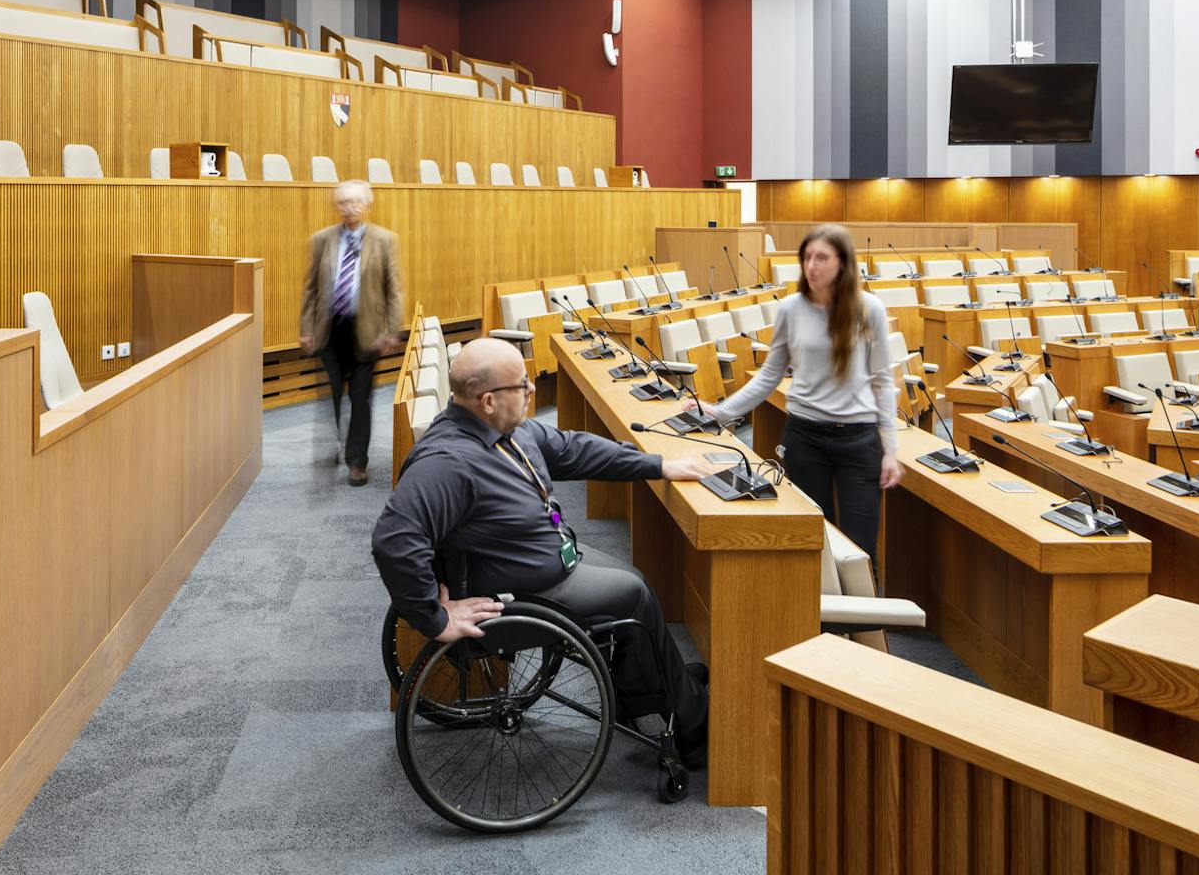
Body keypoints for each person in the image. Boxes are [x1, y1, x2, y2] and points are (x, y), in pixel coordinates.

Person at [372, 337, 714, 760]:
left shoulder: (507, 430)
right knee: (635, 594)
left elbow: (573, 449)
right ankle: (692, 723)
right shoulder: (449, 460)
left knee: (634, 580)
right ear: (489, 400)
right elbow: (394, 538)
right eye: (522, 385)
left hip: (547, 559)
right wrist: (434, 617)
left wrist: (657, 464)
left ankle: (651, 687)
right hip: (521, 591)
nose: (533, 390)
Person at [704, 223, 902, 562]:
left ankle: (864, 616)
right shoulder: (790, 309)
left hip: (859, 440)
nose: (812, 266)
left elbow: (883, 381)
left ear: (843, 263)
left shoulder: (870, 309)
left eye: (822, 258)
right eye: (807, 257)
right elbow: (769, 375)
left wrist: (891, 450)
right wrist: (721, 412)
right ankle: (816, 616)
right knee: (813, 542)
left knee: (859, 548)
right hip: (805, 437)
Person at [299, 179, 403, 486]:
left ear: (367, 204)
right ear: (337, 206)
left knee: (360, 399)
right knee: (330, 396)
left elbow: (393, 290)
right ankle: (331, 446)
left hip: (367, 332)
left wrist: (391, 330)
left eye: (356, 202)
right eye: (343, 202)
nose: (349, 208)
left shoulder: (384, 240)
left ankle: (357, 460)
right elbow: (310, 289)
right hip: (330, 331)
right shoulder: (322, 239)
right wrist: (306, 329)